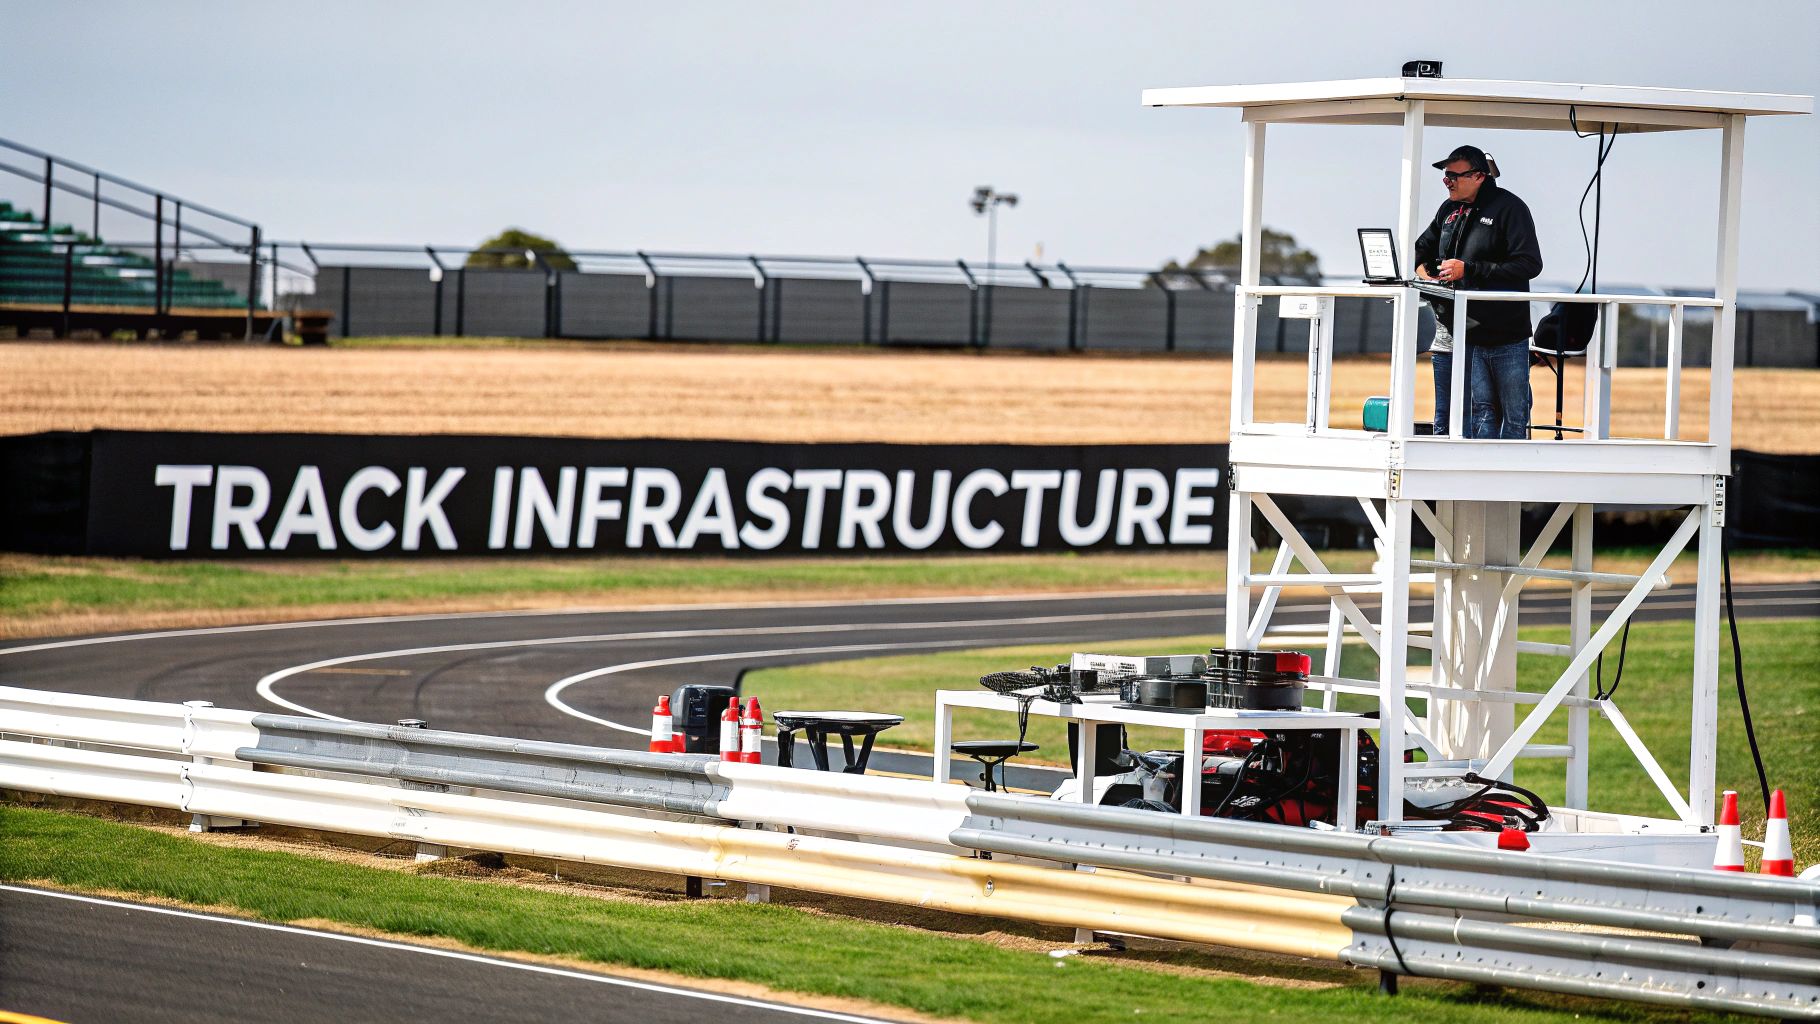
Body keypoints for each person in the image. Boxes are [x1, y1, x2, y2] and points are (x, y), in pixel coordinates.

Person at [1414, 145, 1543, 439]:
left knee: (1514, 415)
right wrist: (1432, 279)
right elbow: (1419, 252)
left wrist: (1469, 269)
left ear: (1479, 176)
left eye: (1454, 176)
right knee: (1478, 412)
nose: (1447, 182)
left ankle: (1512, 472)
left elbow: (1530, 264)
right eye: (1445, 176)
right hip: (1463, 332)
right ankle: (1475, 470)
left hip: (1505, 334)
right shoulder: (1448, 209)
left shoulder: (1510, 208)